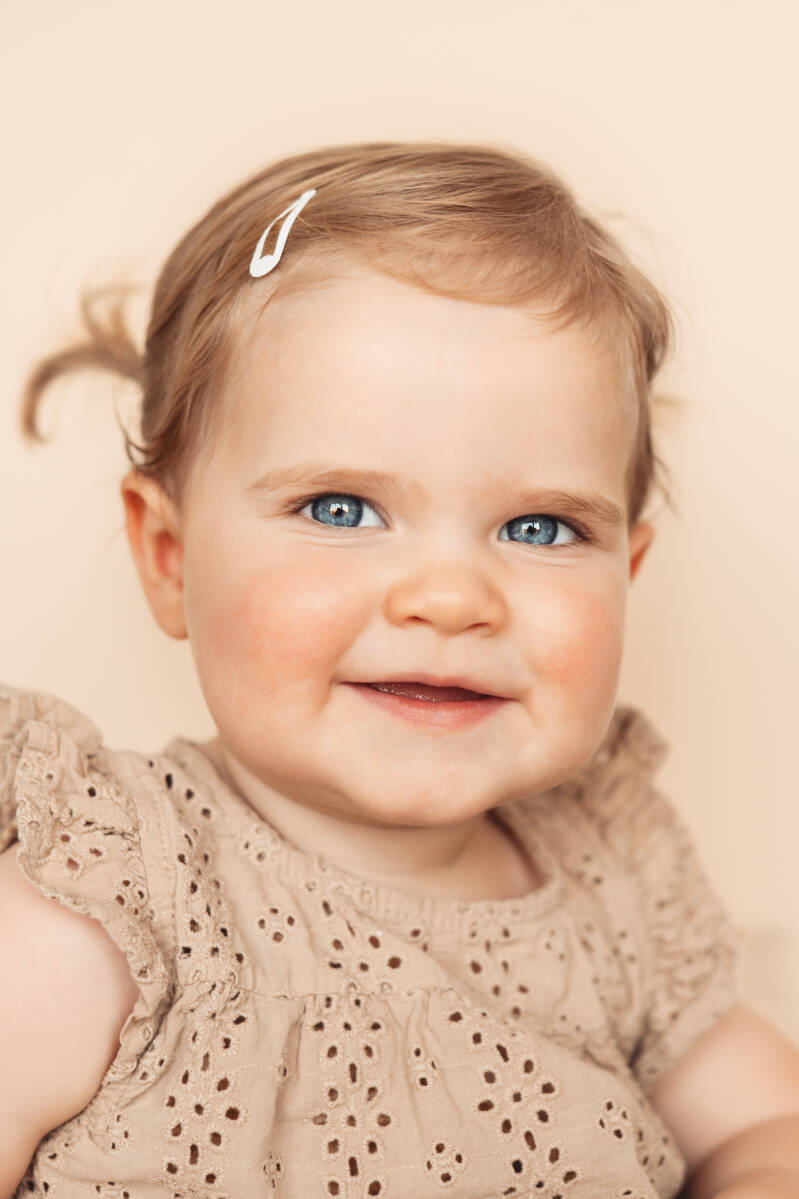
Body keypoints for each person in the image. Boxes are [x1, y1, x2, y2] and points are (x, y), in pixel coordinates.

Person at [2, 141, 798, 1199]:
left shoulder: (616, 885)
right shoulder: (104, 906)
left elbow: (766, 1123)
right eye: (341, 509)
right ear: (170, 557)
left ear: (626, 572)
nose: (452, 598)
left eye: (540, 527)